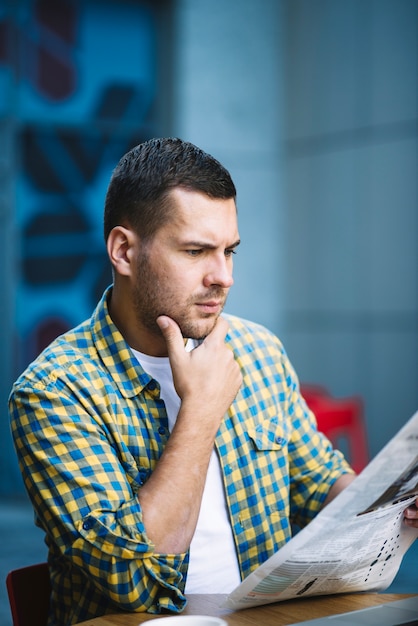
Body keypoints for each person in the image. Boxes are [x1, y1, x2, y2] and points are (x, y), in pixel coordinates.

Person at [9, 138, 418, 626]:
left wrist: (394, 506)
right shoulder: (55, 390)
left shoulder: (258, 350)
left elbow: (319, 485)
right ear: (123, 250)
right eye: (197, 250)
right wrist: (201, 409)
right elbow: (131, 580)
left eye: (229, 251)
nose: (223, 277)